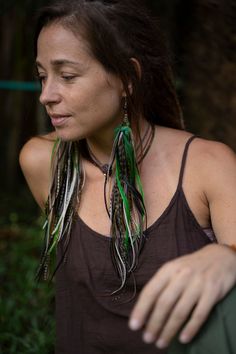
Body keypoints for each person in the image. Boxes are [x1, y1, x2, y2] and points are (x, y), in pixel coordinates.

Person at [19, 0, 236, 353]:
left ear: (128, 79)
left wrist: (229, 256)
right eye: (43, 76)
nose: (47, 95)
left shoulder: (208, 164)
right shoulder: (43, 163)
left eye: (67, 76)